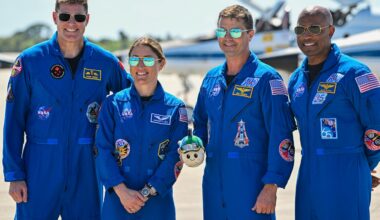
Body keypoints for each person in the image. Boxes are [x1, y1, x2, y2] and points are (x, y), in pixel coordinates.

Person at [2, 0, 132, 219]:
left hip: (87, 167)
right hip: (40, 166)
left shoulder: (104, 62)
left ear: (87, 20)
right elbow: (13, 121)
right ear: (55, 18)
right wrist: (15, 174)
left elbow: (133, 99)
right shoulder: (30, 61)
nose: (72, 24)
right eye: (65, 17)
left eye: (79, 17)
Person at [193, 4, 296, 219]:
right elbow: (200, 122)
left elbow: (281, 135)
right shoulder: (211, 79)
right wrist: (195, 146)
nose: (227, 37)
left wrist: (271, 187)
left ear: (250, 35)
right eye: (222, 31)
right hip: (214, 185)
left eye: (236, 31)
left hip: (252, 186)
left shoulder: (268, 79)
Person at [288, 5, 380, 220]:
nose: (307, 35)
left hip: (346, 173)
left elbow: (376, 125)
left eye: (314, 28)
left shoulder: (355, 73)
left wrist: (361, 165)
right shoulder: (296, 80)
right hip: (308, 173)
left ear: (330, 31)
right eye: (300, 30)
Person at [95, 37, 188, 220]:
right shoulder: (113, 104)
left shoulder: (175, 108)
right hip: (118, 201)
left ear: (161, 64)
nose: (140, 65)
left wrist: (145, 192)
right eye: (134, 59)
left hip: (157, 202)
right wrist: (123, 192)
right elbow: (101, 150)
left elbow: (175, 155)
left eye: (147, 59)